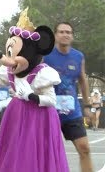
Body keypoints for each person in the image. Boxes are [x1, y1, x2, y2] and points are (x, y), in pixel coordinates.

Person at [0, 8, 69, 171]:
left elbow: (51, 100)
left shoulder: (42, 74)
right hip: (17, 115)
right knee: (16, 153)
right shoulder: (10, 72)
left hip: (40, 119)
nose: (9, 59)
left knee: (33, 155)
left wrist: (31, 96)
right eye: (9, 52)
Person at [43, 21, 93, 172]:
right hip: (49, 111)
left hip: (72, 112)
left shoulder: (78, 56)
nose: (65, 34)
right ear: (55, 35)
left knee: (84, 148)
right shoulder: (46, 55)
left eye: (68, 32)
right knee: (47, 153)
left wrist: (87, 105)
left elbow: (83, 81)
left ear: (72, 36)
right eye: (62, 32)